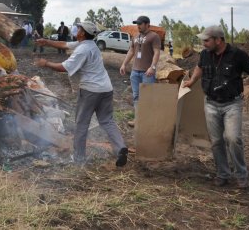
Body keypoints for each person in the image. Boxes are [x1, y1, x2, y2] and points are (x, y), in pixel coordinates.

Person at [182, 26, 249, 188]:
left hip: (232, 104)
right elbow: (199, 67)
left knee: (233, 138)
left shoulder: (238, 55)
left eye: (207, 40)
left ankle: (241, 174)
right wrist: (192, 81)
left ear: (218, 40)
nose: (204, 43)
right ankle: (222, 174)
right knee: (216, 141)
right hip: (210, 103)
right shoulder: (204, 54)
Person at [35, 22, 128, 167]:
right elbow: (65, 44)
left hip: (91, 90)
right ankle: (120, 148)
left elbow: (65, 67)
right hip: (106, 88)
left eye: (79, 28)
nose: (76, 30)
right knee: (107, 120)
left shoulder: (82, 49)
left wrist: (46, 63)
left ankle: (78, 159)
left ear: (83, 33)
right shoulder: (90, 44)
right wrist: (47, 42)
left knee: (81, 124)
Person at [119, 15, 161, 118]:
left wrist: (153, 67)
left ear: (147, 25)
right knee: (136, 96)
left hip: (147, 73)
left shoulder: (154, 36)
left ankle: (146, 121)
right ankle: (138, 119)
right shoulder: (135, 36)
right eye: (137, 24)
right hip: (135, 72)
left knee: (147, 97)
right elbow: (131, 51)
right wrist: (124, 64)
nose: (138, 26)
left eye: (140, 24)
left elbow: (157, 52)